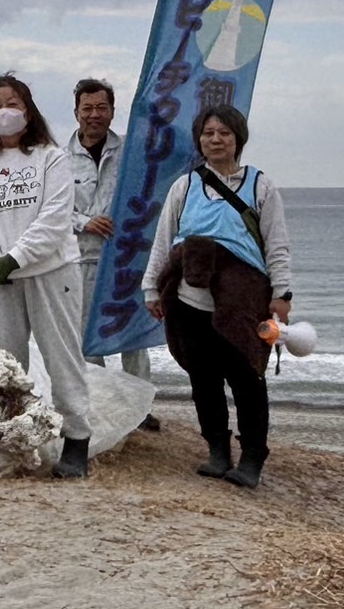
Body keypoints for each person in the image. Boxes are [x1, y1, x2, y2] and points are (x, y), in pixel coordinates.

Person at [143, 105, 292, 489]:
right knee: (203, 381)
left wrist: (282, 295)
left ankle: (253, 457)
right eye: (208, 132)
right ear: (199, 140)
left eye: (224, 132)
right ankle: (217, 452)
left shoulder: (261, 186)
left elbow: (277, 245)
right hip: (190, 303)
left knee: (248, 380)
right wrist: (151, 288)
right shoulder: (185, 186)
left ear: (238, 138)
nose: (215, 139)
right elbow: (164, 241)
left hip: (243, 307)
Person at [0, 72, 92, 478]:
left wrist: (13, 258)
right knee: (2, 364)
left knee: (62, 356)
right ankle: (9, 439)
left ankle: (77, 438)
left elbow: (54, 219)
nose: (4, 112)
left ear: (28, 111)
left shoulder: (51, 157)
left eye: (12, 103)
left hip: (51, 271)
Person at [67, 77, 158, 430]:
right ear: (76, 112)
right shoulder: (60, 159)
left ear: (112, 111)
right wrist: (84, 222)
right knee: (87, 336)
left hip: (126, 259)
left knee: (132, 336)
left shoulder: (132, 154)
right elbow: (53, 207)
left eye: (101, 108)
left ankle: (141, 407)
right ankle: (99, 402)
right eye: (87, 108)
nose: (94, 115)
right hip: (82, 259)